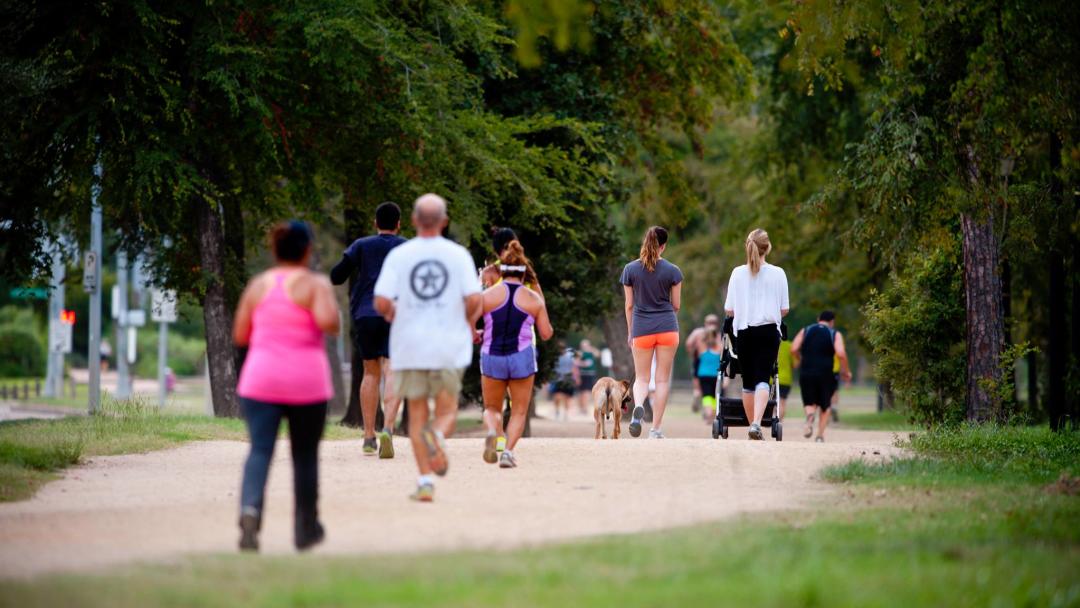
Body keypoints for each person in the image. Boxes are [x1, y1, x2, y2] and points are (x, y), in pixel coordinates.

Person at [233, 221, 340, 552]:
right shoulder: (313, 284)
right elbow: (329, 323)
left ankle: (250, 508)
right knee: (305, 456)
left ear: (275, 250)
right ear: (307, 250)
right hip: (305, 382)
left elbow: (240, 334)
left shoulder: (258, 285)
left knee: (260, 449)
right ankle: (305, 528)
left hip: (260, 379)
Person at [374, 194, 482, 502]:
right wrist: (465, 319)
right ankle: (437, 438)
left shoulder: (399, 256)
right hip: (447, 345)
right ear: (444, 222)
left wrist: (392, 312)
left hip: (409, 347)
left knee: (417, 413)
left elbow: (381, 300)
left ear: (413, 221)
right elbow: (475, 299)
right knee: (446, 410)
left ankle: (424, 482)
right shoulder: (459, 255)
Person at [330, 201, 407, 459]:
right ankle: (388, 428)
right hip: (397, 314)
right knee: (392, 369)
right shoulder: (408, 247)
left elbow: (336, 276)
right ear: (399, 223)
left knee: (370, 372)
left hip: (366, 312)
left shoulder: (361, 245)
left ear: (375, 223)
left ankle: (368, 436)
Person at [479, 241, 553, 467]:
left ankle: (493, 431)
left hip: (492, 355)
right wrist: (540, 306)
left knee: (492, 408)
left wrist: (476, 332)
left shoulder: (488, 296)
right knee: (519, 411)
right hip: (521, 357)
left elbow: (468, 318)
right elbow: (546, 333)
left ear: (502, 271)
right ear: (524, 274)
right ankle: (508, 452)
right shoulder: (533, 299)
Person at [724, 228, 789, 440]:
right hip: (768, 331)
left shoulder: (737, 273)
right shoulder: (778, 273)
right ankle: (756, 423)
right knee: (763, 377)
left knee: (748, 382)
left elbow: (729, 310)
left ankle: (753, 424)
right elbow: (784, 309)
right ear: (767, 247)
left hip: (744, 331)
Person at [622, 226, 683, 438]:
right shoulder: (673, 271)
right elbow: (676, 305)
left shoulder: (630, 270)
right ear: (663, 246)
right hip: (667, 327)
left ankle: (638, 406)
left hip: (641, 329)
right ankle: (656, 429)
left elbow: (629, 306)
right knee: (662, 380)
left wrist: (631, 332)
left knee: (641, 378)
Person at [790, 310, 851, 442]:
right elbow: (840, 353)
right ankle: (819, 436)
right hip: (826, 374)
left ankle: (810, 416)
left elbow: (794, 348)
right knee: (825, 405)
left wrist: (800, 358)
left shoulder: (805, 330)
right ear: (832, 322)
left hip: (806, 372)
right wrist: (846, 371)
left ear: (819, 319)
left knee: (809, 401)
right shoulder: (834, 333)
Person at [685, 314, 720, 412]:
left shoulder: (698, 333)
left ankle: (697, 393)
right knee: (712, 391)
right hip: (711, 366)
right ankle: (708, 407)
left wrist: (692, 353)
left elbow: (688, 344)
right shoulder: (718, 336)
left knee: (699, 385)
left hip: (700, 363)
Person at [696, 327, 722, 422]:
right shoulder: (719, 347)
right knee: (715, 395)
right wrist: (718, 337)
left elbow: (698, 339)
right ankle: (714, 415)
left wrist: (705, 334)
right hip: (716, 375)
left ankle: (708, 413)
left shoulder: (701, 346)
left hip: (703, 375)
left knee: (706, 395)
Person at [551, 343, 578, 420]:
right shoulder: (555, 356)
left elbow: (574, 367)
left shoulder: (570, 356)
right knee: (557, 396)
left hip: (567, 378)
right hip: (558, 378)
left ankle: (566, 413)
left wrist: (576, 377)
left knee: (567, 397)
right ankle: (557, 411)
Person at [575, 339, 601, 414]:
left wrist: (592, 349)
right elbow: (575, 362)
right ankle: (582, 408)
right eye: (583, 345)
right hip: (583, 374)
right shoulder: (580, 353)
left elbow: (598, 354)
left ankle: (584, 408)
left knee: (587, 391)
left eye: (586, 345)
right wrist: (583, 363)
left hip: (591, 374)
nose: (585, 347)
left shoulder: (591, 352)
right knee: (582, 392)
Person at [777, 337, 793, 420]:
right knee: (782, 402)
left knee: (773, 401)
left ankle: (773, 420)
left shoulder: (770, 343)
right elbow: (795, 364)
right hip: (785, 379)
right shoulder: (790, 346)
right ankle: (779, 421)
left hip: (772, 378)